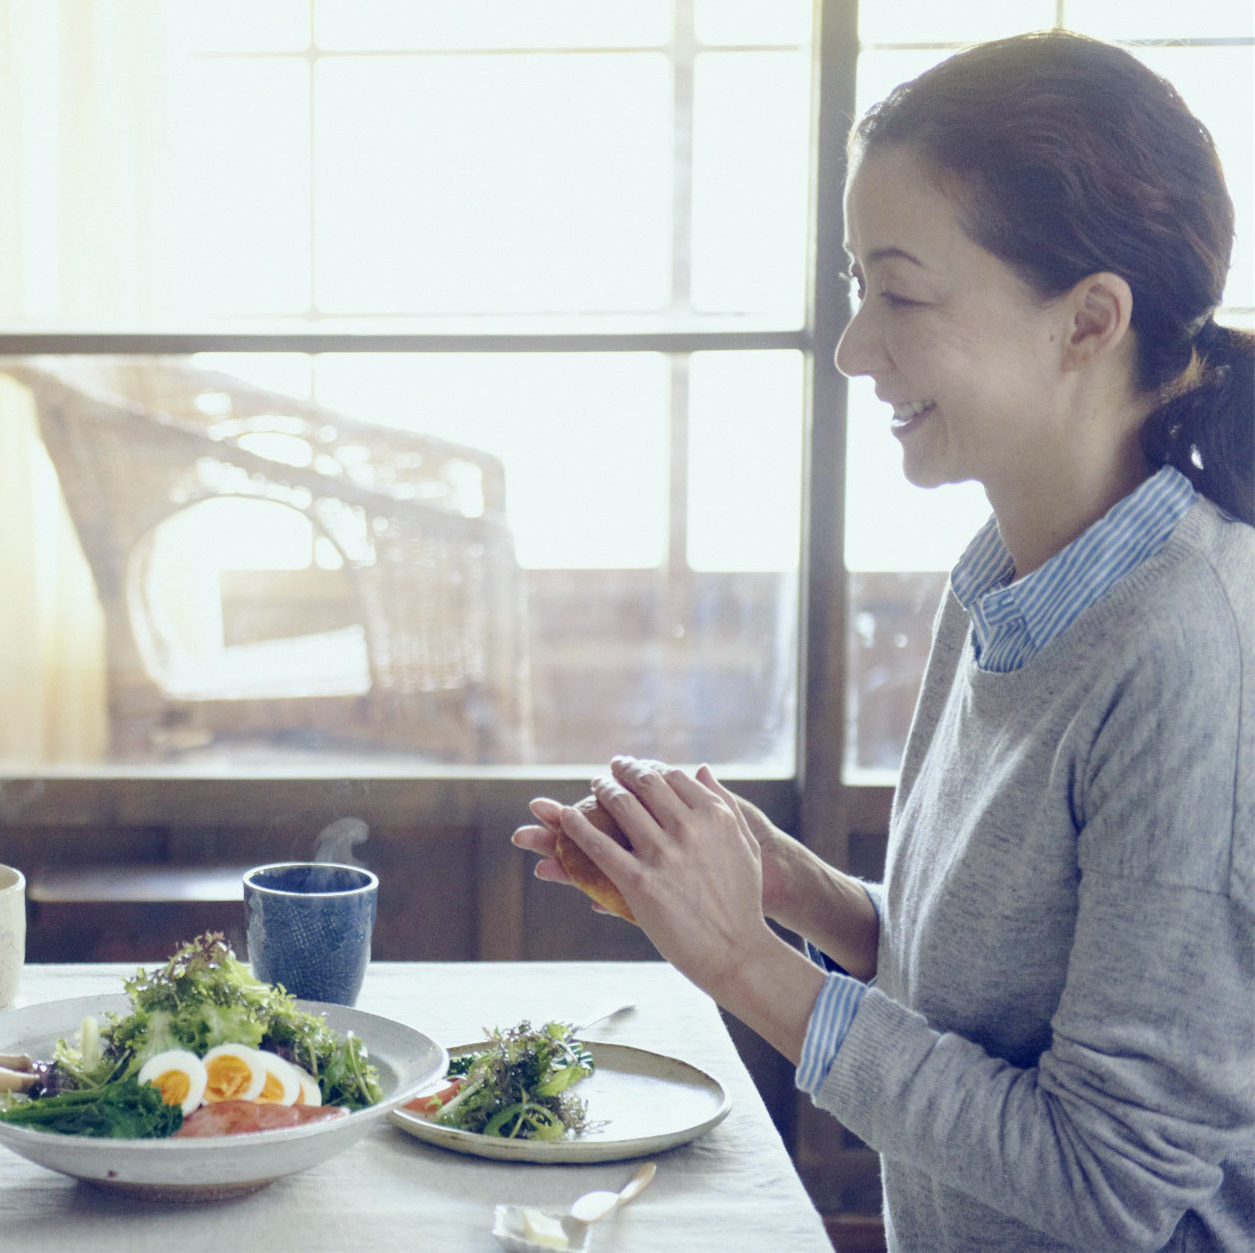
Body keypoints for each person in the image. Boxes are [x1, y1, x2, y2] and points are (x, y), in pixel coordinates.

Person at [512, 31, 1252, 1253]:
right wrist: (785, 885)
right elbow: (1001, 997)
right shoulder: (1005, 570)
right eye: (859, 286)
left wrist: (745, 963)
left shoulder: (1195, 654)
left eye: (901, 295)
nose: (856, 347)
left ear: (1089, 320)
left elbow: (1109, 1184)